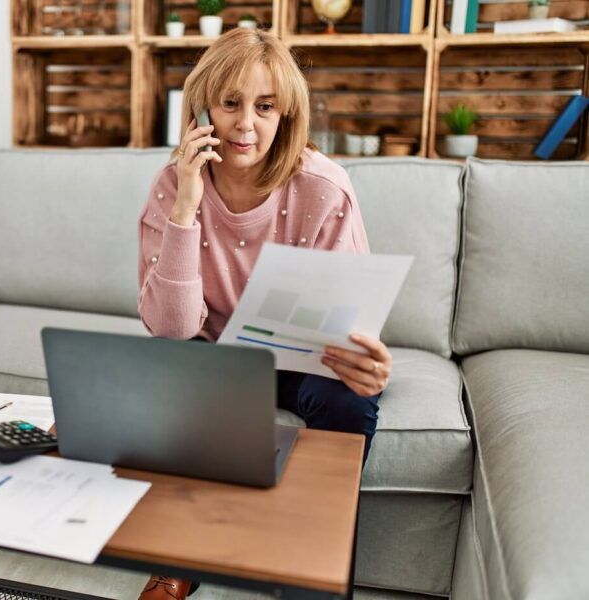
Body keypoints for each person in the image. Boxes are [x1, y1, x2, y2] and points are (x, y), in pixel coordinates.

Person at [135, 28, 392, 600]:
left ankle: (312, 580)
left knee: (348, 401)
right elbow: (173, 328)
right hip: (214, 351)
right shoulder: (170, 187)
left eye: (265, 106)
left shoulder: (324, 188)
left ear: (285, 114)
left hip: (303, 355)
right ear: (203, 109)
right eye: (230, 103)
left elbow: (350, 313)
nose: (246, 124)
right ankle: (178, 560)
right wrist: (185, 206)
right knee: (172, 382)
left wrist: (366, 360)